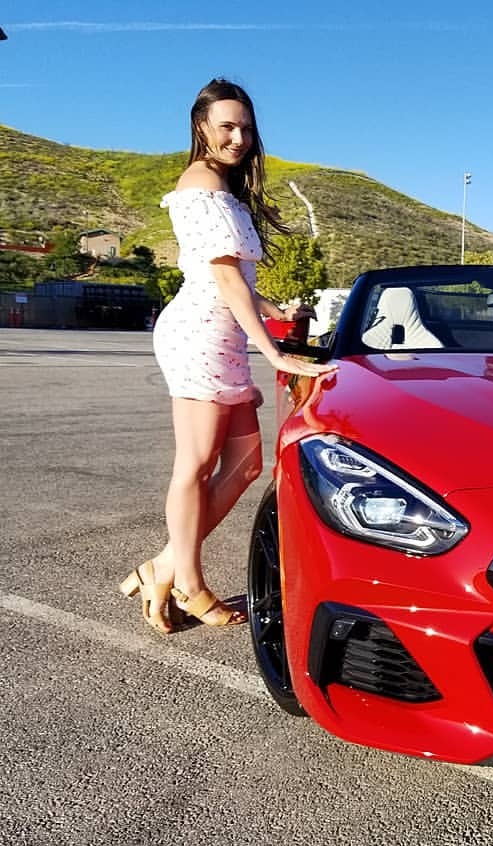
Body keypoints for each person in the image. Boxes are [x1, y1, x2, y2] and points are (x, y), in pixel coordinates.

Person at [119, 78, 337, 634]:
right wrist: (274, 352)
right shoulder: (200, 181)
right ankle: (189, 583)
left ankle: (163, 566)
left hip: (223, 337)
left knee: (245, 464)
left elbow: (235, 279)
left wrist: (275, 309)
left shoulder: (223, 187)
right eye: (227, 127)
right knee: (194, 465)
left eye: (246, 128)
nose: (238, 138)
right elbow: (222, 278)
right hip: (197, 336)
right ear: (201, 127)